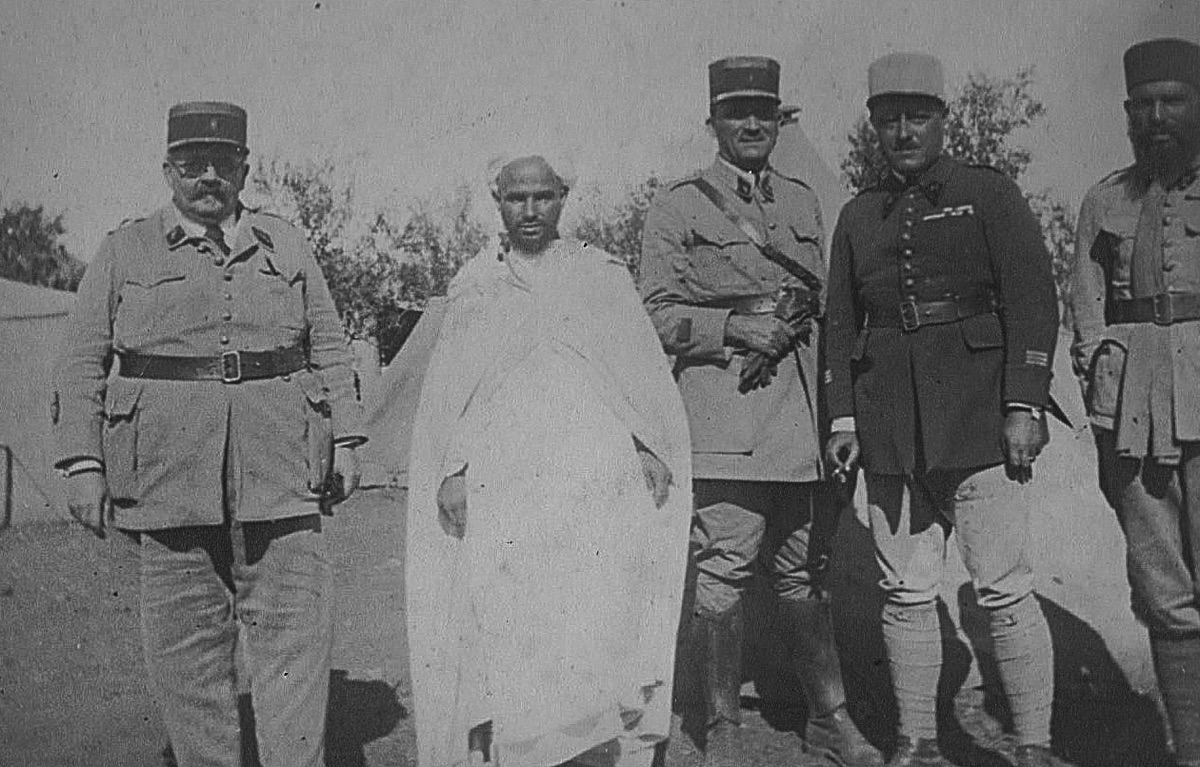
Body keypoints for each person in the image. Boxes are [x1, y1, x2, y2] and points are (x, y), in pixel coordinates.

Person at [53, 101, 364, 767]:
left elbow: (331, 348)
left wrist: (347, 440)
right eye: (193, 164)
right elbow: (81, 360)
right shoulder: (124, 249)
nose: (208, 177)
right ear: (168, 171)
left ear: (244, 169)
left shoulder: (287, 245)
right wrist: (83, 463)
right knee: (188, 661)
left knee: (295, 648)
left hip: (283, 476)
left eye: (222, 163)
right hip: (168, 483)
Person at [823, 54, 1072, 767]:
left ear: (943, 119)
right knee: (905, 590)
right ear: (873, 127)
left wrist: (1024, 404)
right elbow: (840, 323)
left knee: (1003, 588)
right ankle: (917, 741)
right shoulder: (858, 215)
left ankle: (1033, 745)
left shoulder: (988, 195)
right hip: (890, 429)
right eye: (888, 119)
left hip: (980, 421)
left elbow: (1032, 299)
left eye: (917, 116)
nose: (902, 132)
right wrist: (844, 420)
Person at [404, 154, 693, 767]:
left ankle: (593, 751)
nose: (530, 210)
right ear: (498, 202)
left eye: (543, 197)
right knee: (512, 617)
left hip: (592, 475)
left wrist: (648, 445)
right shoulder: (477, 284)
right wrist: (452, 470)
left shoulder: (600, 276)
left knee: (594, 612)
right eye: (517, 198)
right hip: (505, 479)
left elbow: (636, 375)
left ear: (563, 197)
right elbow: (452, 394)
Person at [640, 56, 882, 767]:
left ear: (779, 120)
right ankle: (721, 725)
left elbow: (832, 305)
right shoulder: (678, 205)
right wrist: (734, 328)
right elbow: (655, 313)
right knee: (724, 567)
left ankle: (830, 717)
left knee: (804, 569)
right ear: (712, 122)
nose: (751, 123)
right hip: (727, 413)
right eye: (736, 112)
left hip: (801, 418)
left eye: (764, 112)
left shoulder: (804, 202)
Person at [1071, 38, 1200, 767]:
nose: (1157, 118)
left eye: (1173, 102)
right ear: (1127, 114)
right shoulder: (1105, 199)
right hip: (1133, 416)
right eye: (1143, 105)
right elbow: (1086, 304)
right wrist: (1101, 376)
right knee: (1162, 590)